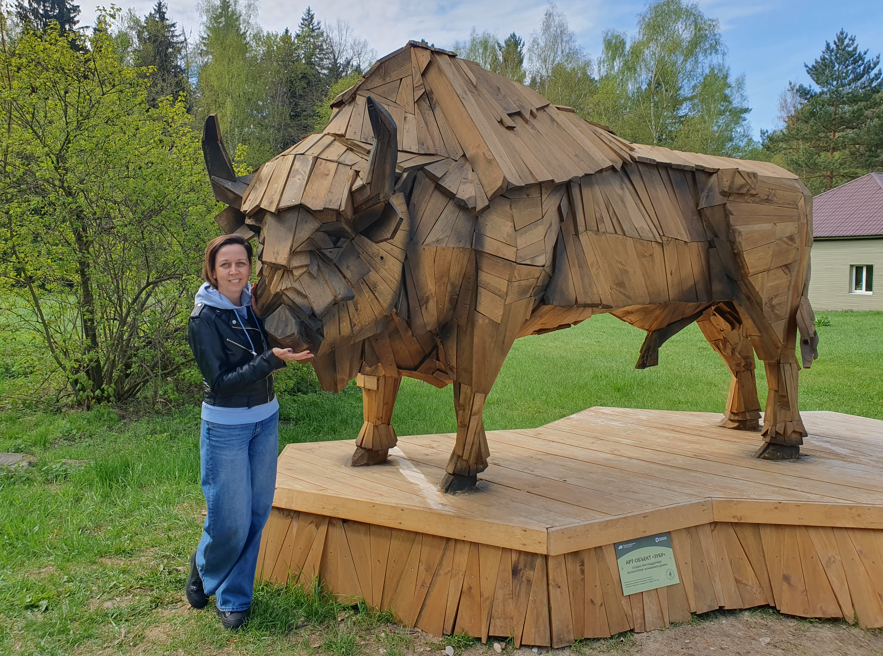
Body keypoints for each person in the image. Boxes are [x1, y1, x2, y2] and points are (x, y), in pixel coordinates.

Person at [185, 234, 313, 630]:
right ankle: (204, 565)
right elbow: (220, 382)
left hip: (266, 420)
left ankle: (234, 598)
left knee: (257, 514)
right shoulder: (204, 319)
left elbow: (284, 327)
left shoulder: (254, 304)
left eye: (241, 263)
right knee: (231, 520)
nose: (234, 271)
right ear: (212, 270)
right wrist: (270, 360)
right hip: (226, 427)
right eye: (225, 264)